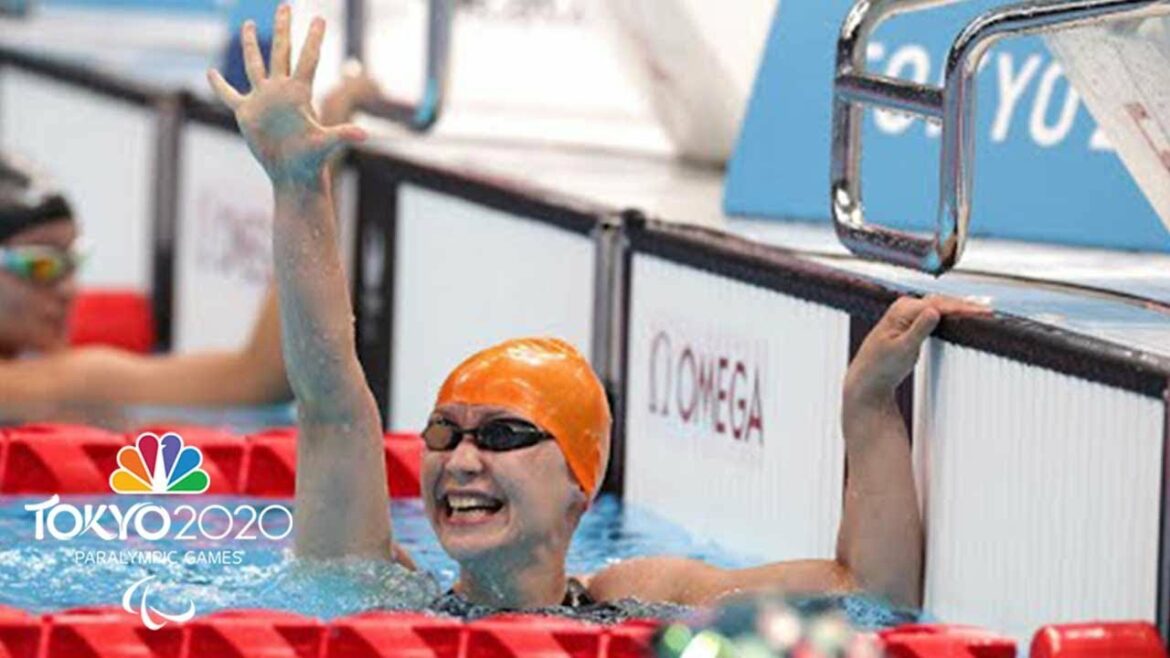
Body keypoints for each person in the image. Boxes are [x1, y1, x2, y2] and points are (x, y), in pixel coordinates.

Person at [207, 5, 990, 612]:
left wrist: (868, 407)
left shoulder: (643, 600)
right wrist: (297, 188)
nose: (462, 459)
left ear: (583, 483)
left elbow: (870, 595)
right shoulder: (379, 591)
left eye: (504, 434)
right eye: (446, 430)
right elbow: (332, 405)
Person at [0, 71, 380, 416]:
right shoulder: (46, 388)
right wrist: (306, 174)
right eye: (41, 265)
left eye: (74, 261)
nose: (68, 289)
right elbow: (263, 377)